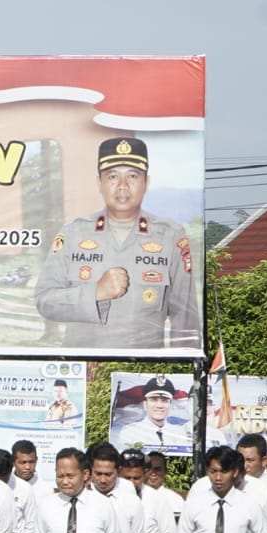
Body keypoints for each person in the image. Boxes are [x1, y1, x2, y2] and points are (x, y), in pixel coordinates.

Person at [34, 136, 200, 349]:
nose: (123, 186)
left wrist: (182, 369)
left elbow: (185, 318)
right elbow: (45, 301)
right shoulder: (73, 233)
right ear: (99, 183)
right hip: (84, 370)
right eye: (113, 176)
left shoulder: (171, 236)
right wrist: (95, 293)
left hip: (143, 370)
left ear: (146, 182)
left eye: (132, 175)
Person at [116, 376, 193, 451]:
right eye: (154, 400)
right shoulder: (130, 432)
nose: (159, 406)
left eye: (164, 400)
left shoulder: (180, 433)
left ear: (170, 405)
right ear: (145, 404)